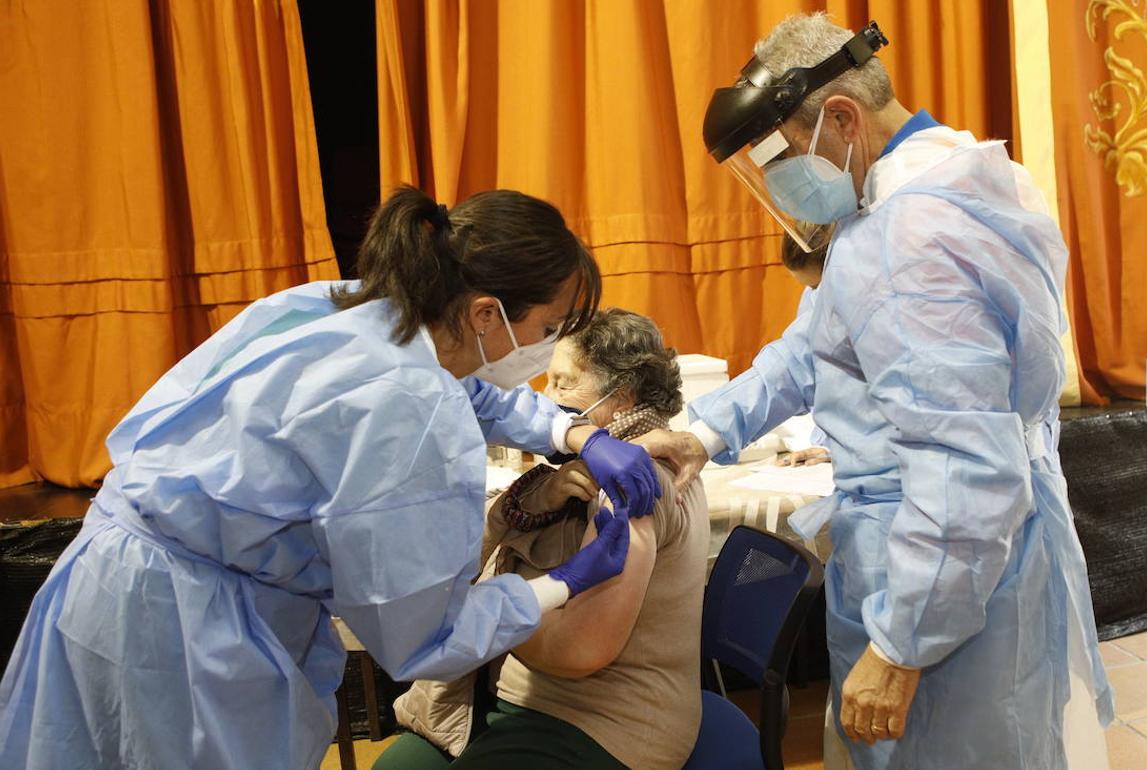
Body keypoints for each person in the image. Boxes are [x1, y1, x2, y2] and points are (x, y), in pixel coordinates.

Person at [0, 186, 662, 770]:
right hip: (178, 634)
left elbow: (465, 386)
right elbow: (427, 636)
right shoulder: (408, 411)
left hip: (119, 577)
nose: (547, 353)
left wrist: (573, 432)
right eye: (548, 330)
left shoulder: (364, 313)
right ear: (487, 313)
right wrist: (565, 582)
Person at [641, 13, 1113, 770]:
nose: (776, 183)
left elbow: (965, 466)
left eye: (779, 157)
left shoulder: (908, 240)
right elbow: (813, 349)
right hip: (956, 567)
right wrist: (702, 430)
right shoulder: (947, 179)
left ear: (841, 117)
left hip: (934, 577)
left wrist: (900, 647)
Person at [376, 308, 709, 770]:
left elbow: (580, 649)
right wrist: (539, 499)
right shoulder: (578, 472)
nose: (546, 399)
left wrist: (486, 611)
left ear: (624, 394)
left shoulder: (634, 481)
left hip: (603, 721)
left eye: (563, 382)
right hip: (521, 695)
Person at [775, 229, 833, 468]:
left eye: (819, 286)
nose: (814, 295)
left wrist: (836, 446)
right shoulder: (812, 295)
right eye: (810, 289)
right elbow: (807, 368)